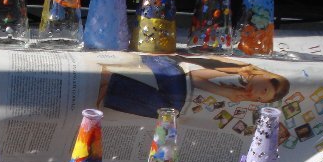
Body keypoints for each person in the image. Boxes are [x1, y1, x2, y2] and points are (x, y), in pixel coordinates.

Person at [96, 54, 290, 118]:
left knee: (170, 112)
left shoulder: (241, 82)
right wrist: (226, 87)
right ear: (266, 76)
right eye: (264, 89)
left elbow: (193, 82)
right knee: (170, 108)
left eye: (259, 98)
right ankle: (111, 85)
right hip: (168, 65)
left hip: (174, 76)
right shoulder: (242, 70)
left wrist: (227, 93)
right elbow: (194, 75)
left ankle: (111, 86)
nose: (256, 94)